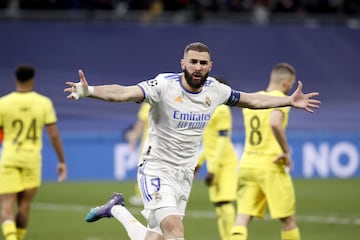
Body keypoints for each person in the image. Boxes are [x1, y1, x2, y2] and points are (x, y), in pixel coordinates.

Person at [64, 42, 320, 240]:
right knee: (176, 230)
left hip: (184, 173)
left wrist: (288, 100)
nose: (198, 66)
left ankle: (116, 209)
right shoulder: (164, 85)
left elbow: (253, 100)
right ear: (183, 63)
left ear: (210, 66)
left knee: (158, 237)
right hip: (156, 168)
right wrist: (90, 91)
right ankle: (116, 209)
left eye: (203, 62)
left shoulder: (216, 91)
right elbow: (123, 92)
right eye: (193, 61)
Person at [230, 63, 301, 240]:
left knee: (242, 218)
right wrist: (287, 152)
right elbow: (275, 123)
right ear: (286, 82)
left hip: (247, 164)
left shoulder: (253, 99)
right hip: (271, 164)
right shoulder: (281, 99)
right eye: (291, 84)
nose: (291, 87)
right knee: (288, 220)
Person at [0, 64, 67, 240]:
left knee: (6, 206)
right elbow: (53, 134)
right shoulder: (43, 102)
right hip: (32, 159)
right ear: (33, 80)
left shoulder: (4, 103)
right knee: (24, 206)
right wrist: (61, 161)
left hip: (9, 157)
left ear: (16, 79)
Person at [194, 76, 238, 240]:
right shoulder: (210, 109)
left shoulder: (222, 110)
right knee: (219, 205)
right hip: (215, 163)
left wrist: (212, 169)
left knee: (225, 203)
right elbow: (209, 143)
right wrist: (199, 162)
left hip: (224, 164)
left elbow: (222, 140)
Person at [125, 102, 151, 206]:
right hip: (165, 145)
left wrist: (134, 137)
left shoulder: (148, 105)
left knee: (144, 169)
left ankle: (140, 195)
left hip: (148, 144)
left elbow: (141, 123)